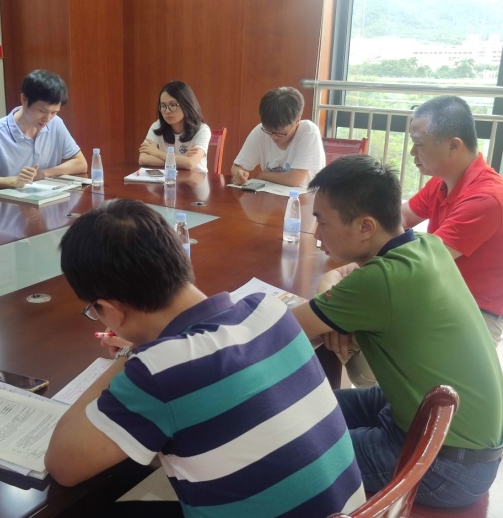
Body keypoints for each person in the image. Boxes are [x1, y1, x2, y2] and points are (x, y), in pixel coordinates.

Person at [45, 199, 365, 518]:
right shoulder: (270, 310)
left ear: (110, 309)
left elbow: (63, 465)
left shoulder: (159, 370)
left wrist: (133, 355)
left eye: (95, 311)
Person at [290, 155, 503, 508]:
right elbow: (347, 282)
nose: (316, 233)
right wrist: (334, 301)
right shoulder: (427, 246)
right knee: (305, 407)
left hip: (449, 466)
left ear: (365, 227)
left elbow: (281, 330)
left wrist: (331, 297)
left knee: (290, 450)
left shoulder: (380, 281)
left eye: (322, 222)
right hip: (440, 425)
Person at [402, 95, 503, 343]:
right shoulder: (441, 181)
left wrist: (355, 265)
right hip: (439, 292)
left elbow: (424, 261)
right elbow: (400, 218)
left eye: (419, 144)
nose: (412, 152)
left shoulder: (487, 199)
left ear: (454, 146)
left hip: (474, 311)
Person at [0, 69, 87, 190]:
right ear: (24, 99)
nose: (47, 118)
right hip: (9, 200)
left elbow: (81, 164)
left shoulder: (55, 123)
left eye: (54, 112)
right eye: (42, 111)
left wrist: (42, 174)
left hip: (48, 197)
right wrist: (15, 181)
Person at [231, 86, 325, 187]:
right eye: (269, 131)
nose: (274, 137)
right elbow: (237, 167)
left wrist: (263, 175)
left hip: (303, 195)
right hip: (270, 194)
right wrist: (239, 173)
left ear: (297, 121)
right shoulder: (261, 130)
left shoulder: (308, 132)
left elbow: (294, 180)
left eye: (281, 133)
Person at [138, 81, 211, 172]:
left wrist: (157, 153)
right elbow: (143, 159)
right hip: (168, 178)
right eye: (163, 106)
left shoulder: (202, 130)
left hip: (195, 179)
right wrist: (181, 161)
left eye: (173, 105)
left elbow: (189, 163)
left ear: (186, 105)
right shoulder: (158, 125)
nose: (167, 111)